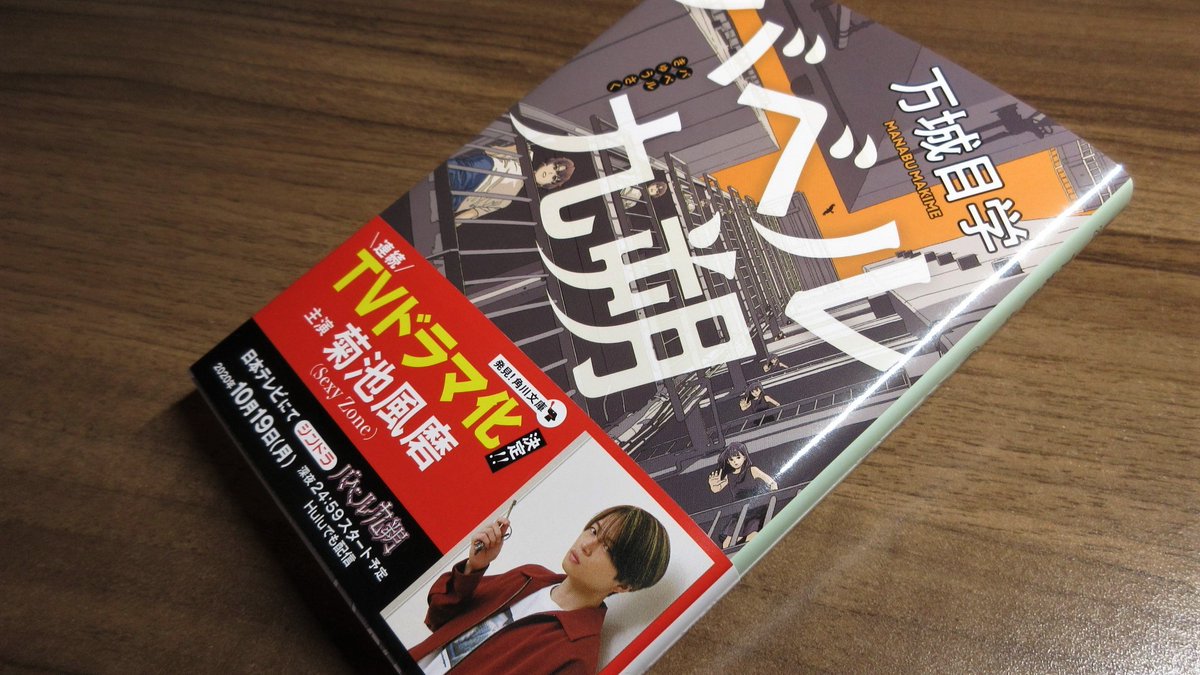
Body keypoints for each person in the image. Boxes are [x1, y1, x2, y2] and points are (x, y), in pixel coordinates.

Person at [410, 505, 671, 674]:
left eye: (608, 548)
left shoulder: (577, 657)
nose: (587, 545)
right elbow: (438, 618)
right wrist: (474, 567)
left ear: (623, 586)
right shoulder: (529, 577)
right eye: (594, 530)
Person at [447, 144, 574, 221]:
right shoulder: (525, 153)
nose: (550, 173)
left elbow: (473, 213)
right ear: (548, 163)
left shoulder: (507, 200)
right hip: (473, 171)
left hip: (462, 198)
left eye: (554, 178)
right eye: (554, 167)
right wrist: (519, 151)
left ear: (549, 184)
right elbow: (492, 151)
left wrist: (454, 223)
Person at [707, 442, 777, 548]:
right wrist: (712, 485)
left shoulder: (752, 470)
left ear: (744, 457)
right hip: (738, 513)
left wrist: (772, 494)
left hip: (755, 510)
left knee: (753, 536)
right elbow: (716, 489)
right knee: (726, 544)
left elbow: (772, 482)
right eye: (731, 459)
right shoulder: (729, 476)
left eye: (738, 457)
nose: (735, 461)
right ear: (728, 461)